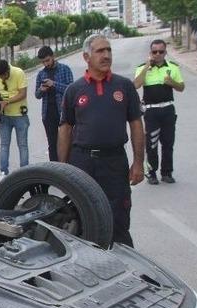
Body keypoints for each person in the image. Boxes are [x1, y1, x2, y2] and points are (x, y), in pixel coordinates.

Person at [58, 33, 145, 247]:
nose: (106, 55)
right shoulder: (74, 90)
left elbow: (136, 125)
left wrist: (139, 162)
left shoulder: (124, 86)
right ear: (86, 57)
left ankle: (127, 270)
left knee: (119, 220)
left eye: (108, 50)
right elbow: (65, 129)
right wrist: (62, 169)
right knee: (80, 216)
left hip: (114, 162)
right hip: (83, 162)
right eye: (100, 51)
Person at [134, 39, 185, 185]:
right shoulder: (142, 68)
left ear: (165, 53)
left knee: (168, 143)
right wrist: (147, 67)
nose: (157, 54)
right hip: (151, 112)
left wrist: (172, 82)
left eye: (160, 52)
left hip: (168, 109)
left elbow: (181, 87)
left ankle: (167, 173)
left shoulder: (173, 68)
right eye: (154, 52)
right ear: (150, 53)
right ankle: (151, 173)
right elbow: (136, 85)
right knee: (152, 144)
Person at [0, 59, 29, 183]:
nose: (2, 79)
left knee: (22, 145)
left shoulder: (19, 73)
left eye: (4, 76)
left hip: (19, 115)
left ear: (8, 71)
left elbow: (23, 94)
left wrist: (7, 101)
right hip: (4, 115)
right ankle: (3, 172)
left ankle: (25, 173)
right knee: (4, 145)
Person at [34, 46, 74, 163]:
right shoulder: (41, 74)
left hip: (63, 113)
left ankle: (68, 168)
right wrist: (42, 89)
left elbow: (71, 90)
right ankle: (55, 171)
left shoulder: (65, 69)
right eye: (43, 62)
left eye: (47, 60)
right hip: (48, 113)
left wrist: (54, 84)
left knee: (67, 142)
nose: (46, 64)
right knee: (52, 144)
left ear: (53, 57)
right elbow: (37, 95)